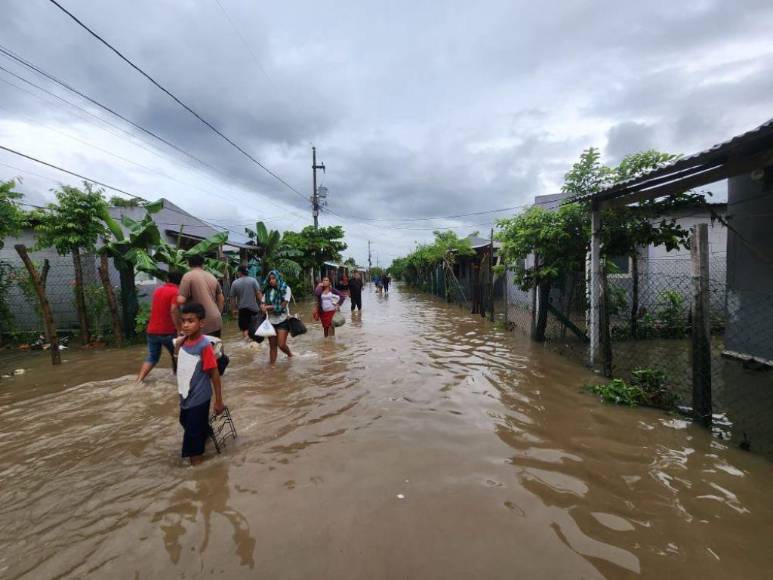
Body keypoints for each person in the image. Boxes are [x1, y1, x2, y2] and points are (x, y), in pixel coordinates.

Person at [175, 302, 225, 466]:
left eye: (191, 321)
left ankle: (198, 472)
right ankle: (206, 436)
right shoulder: (183, 342)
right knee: (184, 421)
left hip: (199, 399)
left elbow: (214, 374)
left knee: (193, 445)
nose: (186, 325)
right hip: (186, 397)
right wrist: (180, 342)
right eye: (183, 321)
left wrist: (218, 401)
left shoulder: (204, 346)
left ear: (201, 323)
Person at [137, 271, 182, 382]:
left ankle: (138, 381)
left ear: (167, 280)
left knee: (152, 357)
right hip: (168, 332)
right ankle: (179, 380)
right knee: (178, 356)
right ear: (181, 281)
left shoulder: (158, 290)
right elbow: (173, 310)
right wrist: (179, 329)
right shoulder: (176, 292)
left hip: (152, 331)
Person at [178, 255, 224, 337]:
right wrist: (218, 313)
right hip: (216, 320)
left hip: (199, 322)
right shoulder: (212, 276)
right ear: (203, 264)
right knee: (216, 348)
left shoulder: (188, 276)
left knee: (198, 348)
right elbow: (221, 299)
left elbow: (180, 300)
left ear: (188, 264)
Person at [260, 270, 293, 363]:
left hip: (283, 319)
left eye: (273, 278)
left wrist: (269, 307)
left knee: (281, 344)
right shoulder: (267, 290)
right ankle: (272, 366)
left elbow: (282, 306)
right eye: (270, 279)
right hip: (270, 321)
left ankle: (290, 355)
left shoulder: (286, 289)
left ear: (278, 278)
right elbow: (262, 303)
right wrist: (262, 307)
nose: (271, 281)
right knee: (272, 346)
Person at [229, 266, 261, 340]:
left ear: (239, 272)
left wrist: (233, 310)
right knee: (255, 328)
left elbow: (232, 298)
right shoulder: (253, 280)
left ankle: (247, 346)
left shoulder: (235, 283)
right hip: (254, 309)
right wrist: (262, 304)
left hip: (242, 310)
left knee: (245, 329)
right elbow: (258, 294)